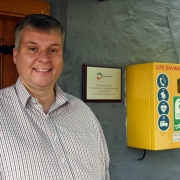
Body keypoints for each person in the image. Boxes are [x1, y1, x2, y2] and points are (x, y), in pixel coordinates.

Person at [0, 14, 110, 179]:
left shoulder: (83, 113)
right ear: (16, 55)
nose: (44, 58)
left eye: (53, 50)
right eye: (33, 49)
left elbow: (104, 173)